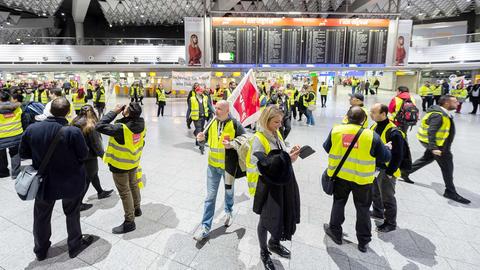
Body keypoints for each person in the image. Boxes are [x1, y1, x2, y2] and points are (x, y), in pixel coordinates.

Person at [19, 97, 93, 260]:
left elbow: (24, 155)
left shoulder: (32, 129)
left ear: (50, 109)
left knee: (41, 216)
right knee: (72, 213)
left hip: (44, 183)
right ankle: (74, 246)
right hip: (71, 182)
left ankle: (41, 250)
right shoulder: (73, 131)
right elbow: (83, 154)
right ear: (68, 113)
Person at [323, 106, 391, 253]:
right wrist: (387, 148)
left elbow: (327, 148)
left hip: (340, 177)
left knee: (338, 203)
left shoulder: (336, 130)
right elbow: (385, 157)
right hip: (363, 180)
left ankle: (335, 232)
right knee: (363, 209)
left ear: (347, 117)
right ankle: (363, 241)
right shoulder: (371, 135)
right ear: (364, 120)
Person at [246, 105, 301, 270]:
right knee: (265, 220)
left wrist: (289, 155)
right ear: (266, 120)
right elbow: (258, 166)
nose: (280, 125)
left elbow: (279, 156)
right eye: (276, 121)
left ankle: (274, 242)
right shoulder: (258, 139)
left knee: (280, 215)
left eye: (281, 121)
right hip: (268, 187)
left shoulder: (276, 134)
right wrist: (285, 160)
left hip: (281, 184)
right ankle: (264, 251)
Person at [401, 95, 470, 204]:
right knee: (447, 168)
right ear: (446, 103)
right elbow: (431, 132)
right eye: (455, 102)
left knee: (426, 159)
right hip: (440, 147)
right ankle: (450, 191)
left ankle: (405, 172)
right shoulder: (438, 115)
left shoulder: (441, 113)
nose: (457, 104)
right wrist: (434, 148)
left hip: (438, 144)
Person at [193, 100, 246, 241]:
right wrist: (201, 140)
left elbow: (245, 139)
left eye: (219, 109)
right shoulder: (211, 122)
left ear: (227, 110)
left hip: (228, 168)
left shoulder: (235, 124)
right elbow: (205, 140)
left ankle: (228, 211)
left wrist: (232, 144)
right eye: (215, 108)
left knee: (229, 192)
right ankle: (205, 228)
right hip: (212, 167)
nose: (216, 111)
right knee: (210, 197)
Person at [96, 102, 146, 233]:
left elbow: (99, 126)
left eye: (126, 108)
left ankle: (129, 222)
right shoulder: (142, 124)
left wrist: (114, 111)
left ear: (127, 112)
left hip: (120, 165)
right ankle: (137, 209)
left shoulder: (120, 129)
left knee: (125, 192)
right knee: (134, 185)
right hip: (133, 162)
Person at [72, 105, 114, 211]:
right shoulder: (91, 125)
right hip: (89, 156)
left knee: (93, 174)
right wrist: (103, 155)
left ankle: (100, 192)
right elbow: (96, 144)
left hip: (77, 154)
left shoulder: (74, 121)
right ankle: (78, 203)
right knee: (87, 178)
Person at [370, 103, 405, 232]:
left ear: (383, 114)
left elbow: (398, 154)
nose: (371, 114)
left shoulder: (394, 132)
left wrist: (390, 172)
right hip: (375, 168)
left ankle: (390, 223)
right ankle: (378, 212)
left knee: (387, 197)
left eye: (374, 112)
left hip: (386, 170)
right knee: (375, 193)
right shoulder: (374, 126)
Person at [0, 91, 23, 179]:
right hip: (16, 135)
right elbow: (24, 119)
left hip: (1, 137)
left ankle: (3, 172)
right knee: (15, 154)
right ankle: (16, 174)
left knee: (1, 155)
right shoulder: (18, 108)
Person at [190, 86, 212, 155]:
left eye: (202, 91)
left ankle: (197, 141)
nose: (201, 92)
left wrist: (214, 112)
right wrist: (188, 117)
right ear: (196, 91)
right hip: (196, 117)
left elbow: (209, 106)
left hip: (203, 117)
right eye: (200, 91)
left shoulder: (205, 97)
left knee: (201, 129)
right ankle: (201, 147)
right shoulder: (192, 98)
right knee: (199, 130)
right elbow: (189, 108)